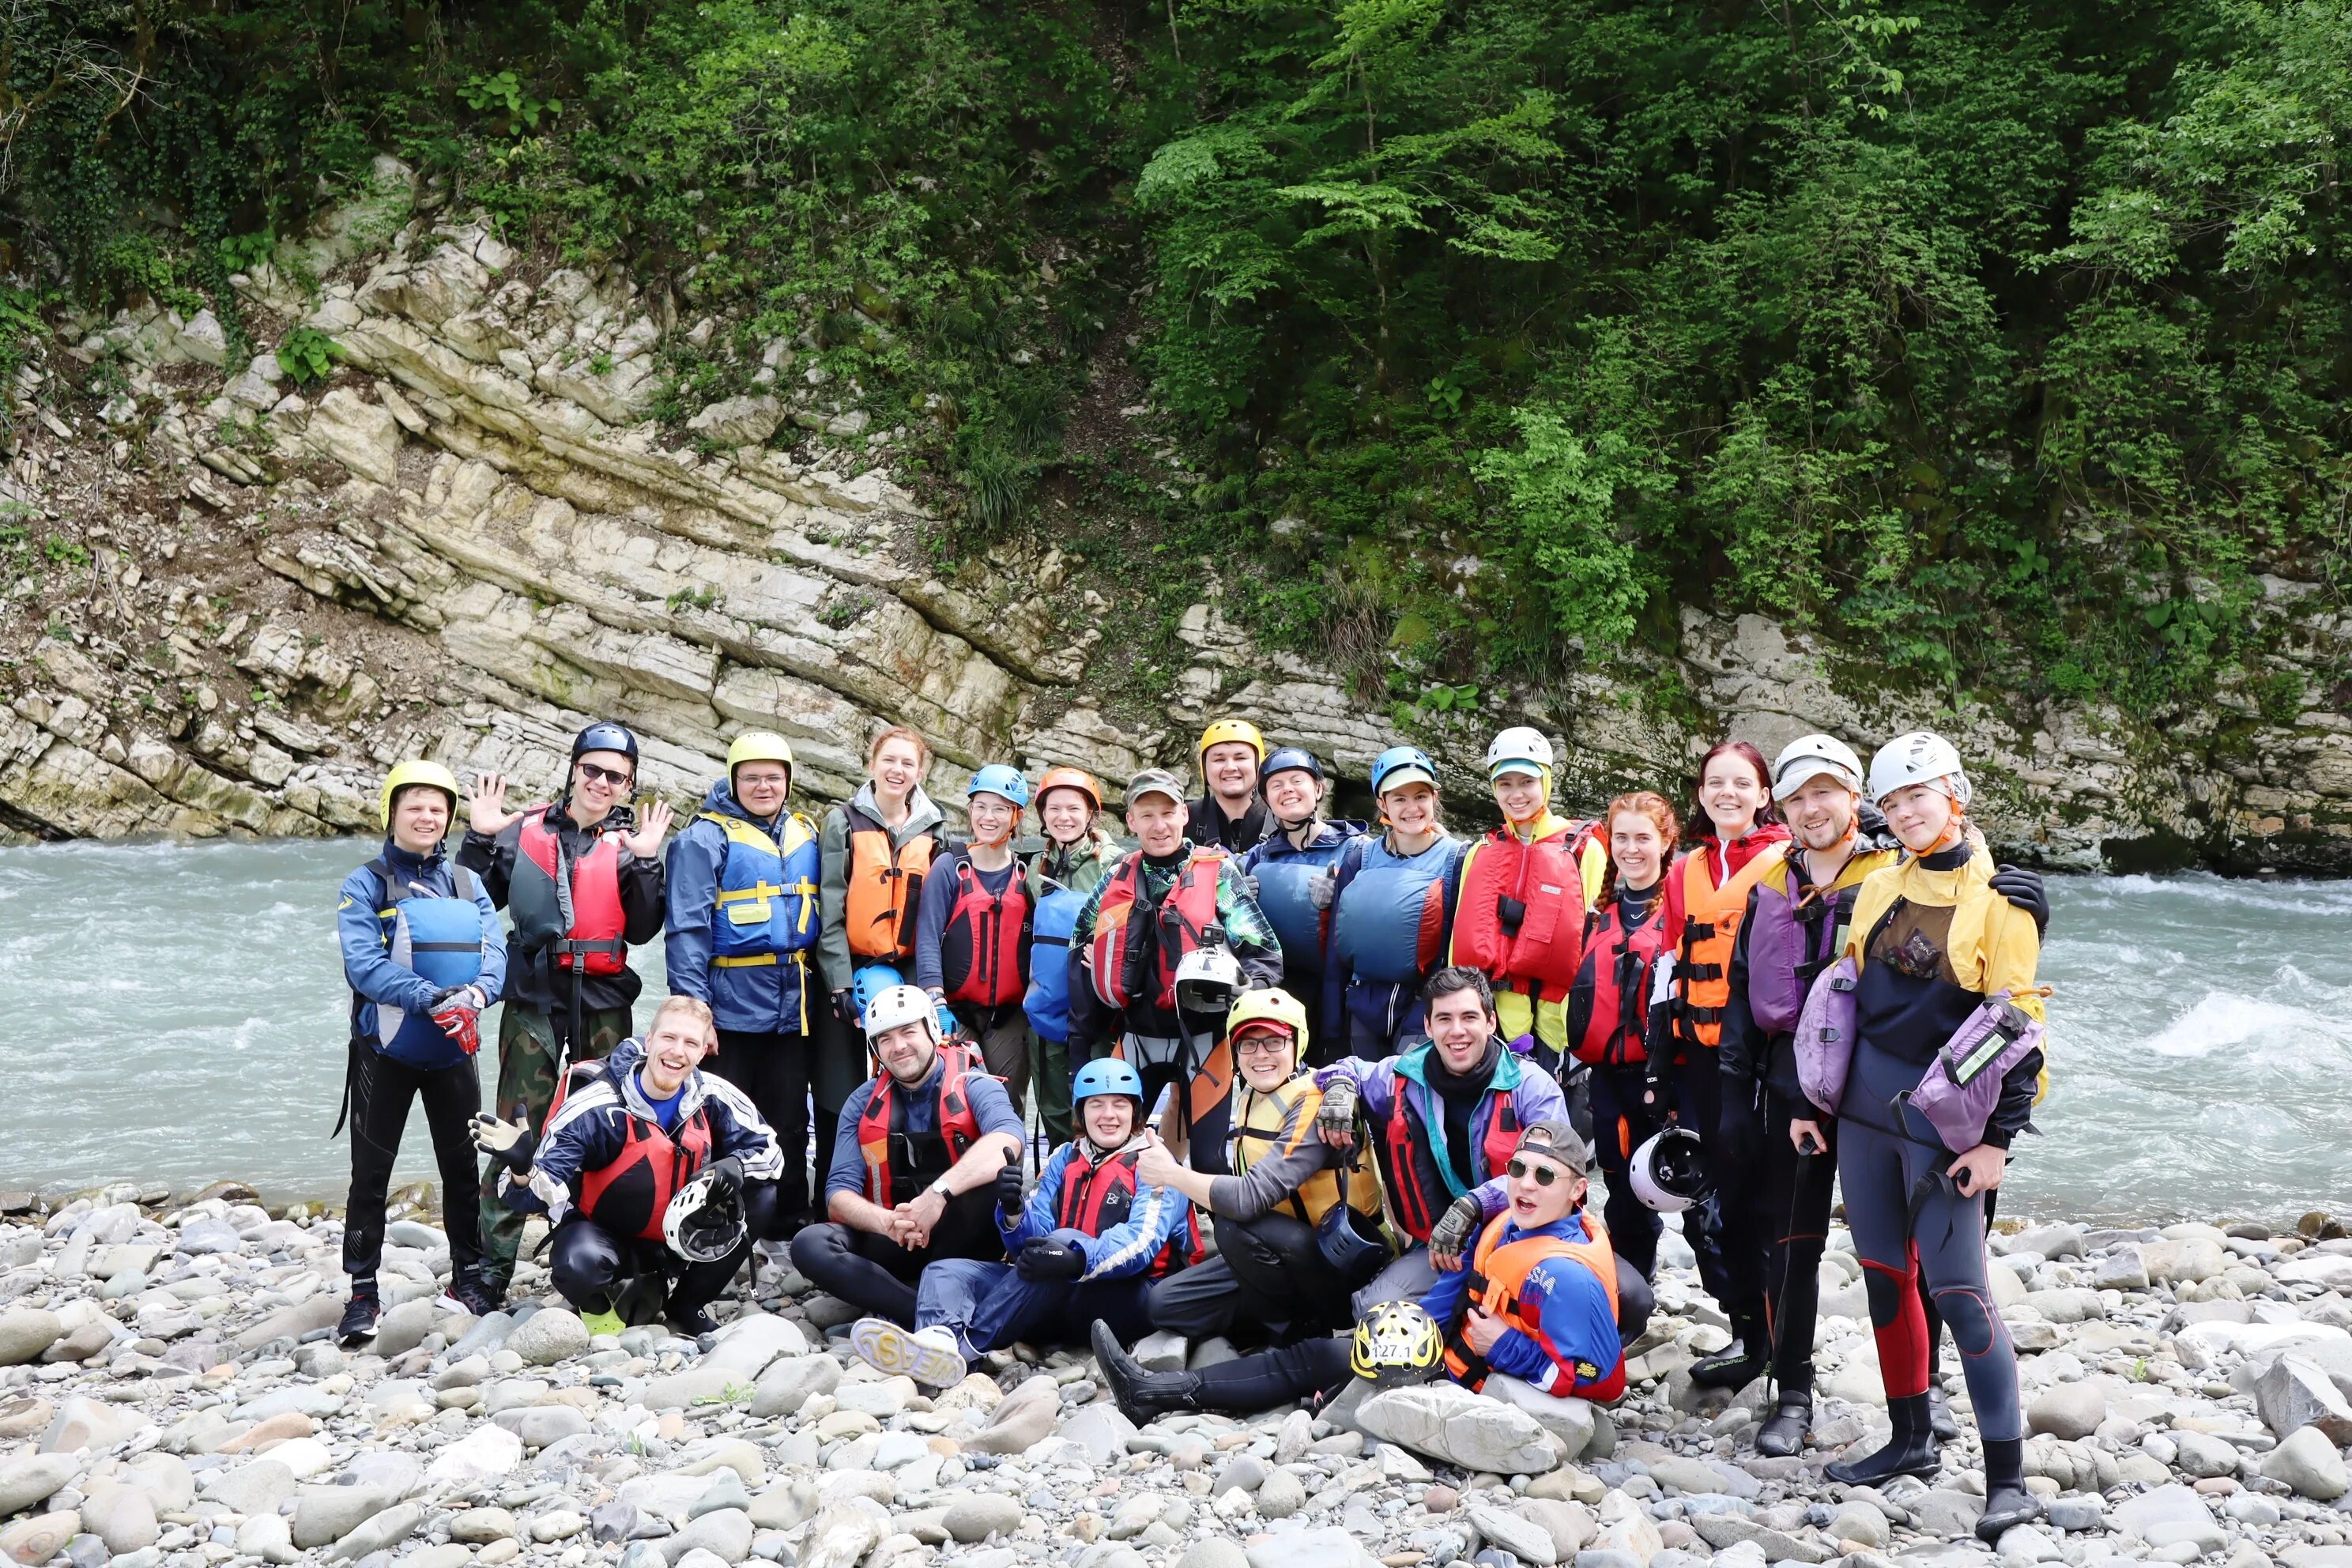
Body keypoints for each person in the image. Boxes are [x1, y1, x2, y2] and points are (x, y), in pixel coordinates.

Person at [1821, 732, 2046, 1544]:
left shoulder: (2006, 900)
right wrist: (1817, 1099)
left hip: (1945, 1125)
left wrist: (1999, 1142)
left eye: (1919, 794)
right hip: (1863, 1111)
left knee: (1958, 1290)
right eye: (1893, 801)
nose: (1907, 811)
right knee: (1884, 1276)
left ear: (1956, 793)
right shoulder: (1877, 884)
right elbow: (1843, 997)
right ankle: (1910, 1438)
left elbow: (2022, 1027)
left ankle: (2007, 1477)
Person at [1093, 1120, 1649, 1423]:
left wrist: (1505, 1346)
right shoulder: (1505, 1219)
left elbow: (1604, 1381)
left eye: (1545, 1177)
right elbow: (1457, 1282)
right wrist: (1401, 1332)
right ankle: (1164, 1391)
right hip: (1449, 1349)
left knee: (1312, 1359)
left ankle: (1157, 1394)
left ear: (1578, 1190)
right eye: (1519, 1170)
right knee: (1333, 1356)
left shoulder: (1566, 1276)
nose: (1526, 1185)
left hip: (1481, 1378)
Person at [461, 719, 671, 1308]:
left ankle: (594, 1261)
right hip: (534, 999)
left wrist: (650, 863)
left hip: (604, 1005)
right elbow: (472, 899)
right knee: (514, 1130)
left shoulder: (630, 848)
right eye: (593, 770)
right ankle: (487, 1274)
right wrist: (479, 838)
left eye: (616, 776)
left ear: (629, 785)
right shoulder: (522, 831)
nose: (602, 783)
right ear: (574, 768)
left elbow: (647, 926)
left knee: (607, 1128)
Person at [848, 1057, 1198, 1387]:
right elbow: (1030, 1246)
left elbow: (1141, 1244)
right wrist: (1013, 1212)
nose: (1108, 1115)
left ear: (1136, 1111)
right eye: (1096, 1105)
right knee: (945, 1271)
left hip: (1123, 1297)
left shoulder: (1158, 1163)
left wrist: (1076, 1258)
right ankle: (936, 1340)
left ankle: (967, 1349)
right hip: (1056, 1289)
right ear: (1081, 1111)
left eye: (1120, 1105)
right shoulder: (1065, 1156)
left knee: (1062, 1241)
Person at [474, 996, 785, 1335]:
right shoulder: (594, 1108)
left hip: (683, 1236)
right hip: (606, 1235)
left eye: (690, 1043)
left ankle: (687, 1303)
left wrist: (737, 1166)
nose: (677, 1051)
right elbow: (529, 1199)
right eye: (669, 1038)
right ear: (649, 1040)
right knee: (577, 1265)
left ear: (702, 1051)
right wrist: (521, 1168)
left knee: (762, 1195)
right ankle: (598, 1310)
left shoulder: (715, 1095)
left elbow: (770, 1152)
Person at [334, 760, 507, 1339]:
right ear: (392, 814)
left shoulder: (467, 882)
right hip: (384, 1050)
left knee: (462, 1170)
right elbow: (363, 966)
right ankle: (362, 1292)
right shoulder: (364, 884)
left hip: (453, 1049)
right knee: (370, 1175)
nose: (428, 817)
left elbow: (495, 953)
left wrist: (478, 994)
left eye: (439, 809)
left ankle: (469, 1277)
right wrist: (432, 998)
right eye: (415, 807)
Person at [1641, 739, 1788, 1353]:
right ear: (1701, 795)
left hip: (1764, 1055)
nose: (1727, 793)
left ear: (1763, 794)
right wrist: (1660, 1069)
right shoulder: (1685, 870)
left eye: (1741, 783)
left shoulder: (1787, 859)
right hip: (1701, 1055)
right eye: (1714, 783)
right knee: (1710, 1198)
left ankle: (1783, 1337)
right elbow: (1670, 970)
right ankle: (1745, 1329)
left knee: (1763, 1197)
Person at [1313, 967, 1570, 1313]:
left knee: (1621, 1299)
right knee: (1373, 1309)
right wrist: (1340, 1087)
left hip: (1524, 1240)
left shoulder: (1532, 1087)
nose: (1457, 1031)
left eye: (1469, 1017)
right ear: (1429, 1026)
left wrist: (1475, 1204)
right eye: (1444, 1019)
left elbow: (1556, 1170)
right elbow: (1346, 1068)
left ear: (1491, 1022)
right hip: (1440, 1251)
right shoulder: (1403, 1074)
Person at [1140, 988, 1385, 1344]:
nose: (1261, 1056)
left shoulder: (1315, 1101)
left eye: (1274, 1042)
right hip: (1280, 1254)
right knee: (1165, 1304)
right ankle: (1270, 1316)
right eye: (1248, 1045)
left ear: (1297, 1043)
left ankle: (1297, 1336)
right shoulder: (1251, 1095)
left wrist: (1172, 1174)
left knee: (1232, 1224)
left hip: (1344, 1265)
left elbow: (1246, 1201)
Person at [1065, 767, 1281, 1167]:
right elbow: (1079, 945)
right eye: (1146, 815)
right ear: (1130, 821)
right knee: (1114, 1157)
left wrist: (1243, 995)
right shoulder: (1117, 875)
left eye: (1167, 813)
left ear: (1185, 814)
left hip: (1205, 1040)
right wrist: (1084, 1033)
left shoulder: (1217, 872)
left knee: (1210, 1162)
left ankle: (1210, 1226)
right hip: (1135, 1037)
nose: (1159, 825)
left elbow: (1265, 951)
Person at [786, 982, 1024, 1327]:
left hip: (963, 1236)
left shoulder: (976, 1084)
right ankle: (925, 1316)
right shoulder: (861, 1101)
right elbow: (838, 1195)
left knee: (999, 1178)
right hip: (895, 1237)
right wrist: (887, 1223)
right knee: (809, 1243)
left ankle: (922, 1310)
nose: (898, 1047)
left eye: (908, 1032)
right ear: (875, 1049)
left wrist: (936, 1197)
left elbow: (1008, 1140)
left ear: (933, 1031)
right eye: (885, 1039)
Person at [663, 732, 824, 1228]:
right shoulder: (703, 838)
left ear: (788, 781)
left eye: (773, 777)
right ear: (733, 781)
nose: (763, 786)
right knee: (724, 1118)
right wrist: (696, 1014)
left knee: (791, 1119)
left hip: (793, 1005)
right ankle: (720, 1218)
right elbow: (687, 929)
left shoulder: (806, 831)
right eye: (751, 777)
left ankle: (788, 1216)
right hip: (729, 1007)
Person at [816, 727, 947, 1199]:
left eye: (908, 764)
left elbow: (935, 913)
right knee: (841, 1087)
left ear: (920, 772)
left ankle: (902, 1189)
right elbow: (829, 904)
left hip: (907, 974)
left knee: (907, 1078)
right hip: (848, 970)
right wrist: (837, 983)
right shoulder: (842, 821)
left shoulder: (935, 826)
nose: (898, 771)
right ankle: (829, 1197)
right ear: (872, 764)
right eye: (889, 760)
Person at [1561, 791, 1679, 1281]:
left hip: (1665, 1072)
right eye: (1622, 838)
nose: (1632, 849)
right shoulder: (1600, 912)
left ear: (1667, 841)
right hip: (1607, 1073)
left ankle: (1742, 1317)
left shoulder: (1678, 908)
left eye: (1643, 838)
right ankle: (1631, 1285)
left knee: (1672, 1183)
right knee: (1616, 1179)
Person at [1449, 728, 1611, 1084]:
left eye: (1527, 781)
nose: (1516, 794)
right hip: (1491, 1023)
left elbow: (1597, 945)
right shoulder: (1481, 851)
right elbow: (1455, 948)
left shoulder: (1584, 850)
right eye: (1504, 784)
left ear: (1546, 781)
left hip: (1558, 1028)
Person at [1323, 747, 1466, 1059]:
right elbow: (1336, 951)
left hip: (1425, 1007)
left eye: (1421, 796)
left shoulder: (1459, 859)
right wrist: (1331, 1027)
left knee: (1409, 1101)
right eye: (1400, 798)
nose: (1412, 808)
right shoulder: (1359, 859)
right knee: (1366, 1100)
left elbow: (1460, 948)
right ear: (1382, 803)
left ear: (1434, 799)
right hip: (1363, 1004)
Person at [916, 765, 1036, 1114]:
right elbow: (927, 935)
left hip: (1010, 1016)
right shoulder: (950, 867)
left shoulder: (1027, 873)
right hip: (954, 1010)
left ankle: (1006, 1169)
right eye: (980, 806)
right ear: (969, 811)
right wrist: (934, 998)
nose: (988, 817)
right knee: (954, 1102)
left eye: (1000, 808)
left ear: (1017, 816)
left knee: (1005, 1105)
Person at [1237, 748, 1363, 1065]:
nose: (1288, 790)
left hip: (1338, 991)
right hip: (1279, 988)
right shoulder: (1255, 858)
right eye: (1276, 785)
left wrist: (1344, 897)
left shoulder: (1356, 850)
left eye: (1297, 780)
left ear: (1318, 789)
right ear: (1266, 798)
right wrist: (1240, 903)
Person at [1025, 767, 1121, 1146]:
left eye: (1073, 809)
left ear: (1091, 814)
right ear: (1043, 816)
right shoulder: (1037, 867)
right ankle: (1063, 1178)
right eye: (1053, 809)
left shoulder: (1113, 864)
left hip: (1095, 1003)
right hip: (1048, 999)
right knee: (1052, 1104)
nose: (1063, 817)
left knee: (1099, 1097)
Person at [1185, 718, 1273, 852]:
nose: (1230, 767)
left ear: (1258, 764)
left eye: (1240, 758)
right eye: (1219, 759)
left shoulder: (1283, 819)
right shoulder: (1184, 820)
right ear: (1204, 768)